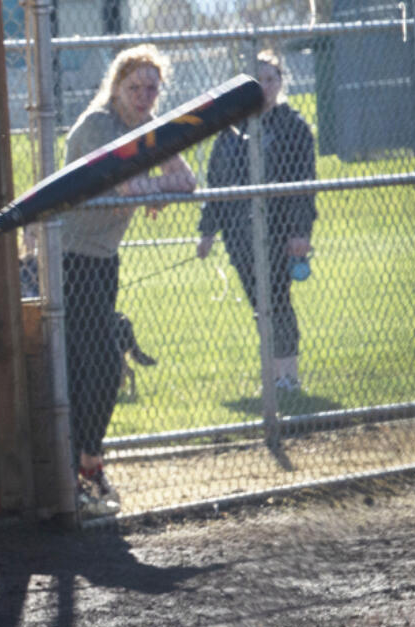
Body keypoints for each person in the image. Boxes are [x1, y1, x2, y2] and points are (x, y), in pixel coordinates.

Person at [59, 44, 196, 518]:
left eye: (151, 88)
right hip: (70, 259)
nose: (143, 96)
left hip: (103, 259)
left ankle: (86, 463)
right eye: (134, 87)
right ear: (115, 88)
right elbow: (128, 186)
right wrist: (151, 189)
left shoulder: (149, 127)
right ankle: (83, 466)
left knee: (103, 365)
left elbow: (187, 181)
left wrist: (152, 186)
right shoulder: (100, 124)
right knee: (94, 364)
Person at [197, 49, 317, 393]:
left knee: (277, 298)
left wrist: (299, 232)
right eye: (257, 81)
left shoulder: (293, 127)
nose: (264, 87)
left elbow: (304, 186)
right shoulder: (231, 130)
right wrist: (207, 232)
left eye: (270, 79)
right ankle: (273, 375)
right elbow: (216, 184)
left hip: (280, 230)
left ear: (281, 83)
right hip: (239, 234)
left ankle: (287, 375)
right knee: (258, 302)